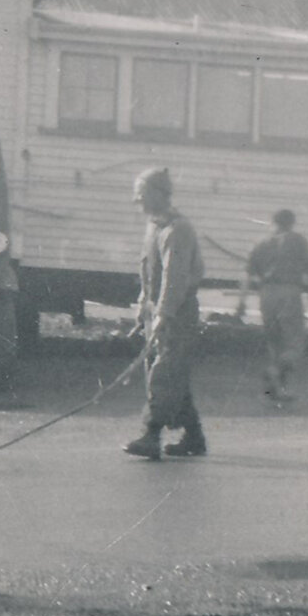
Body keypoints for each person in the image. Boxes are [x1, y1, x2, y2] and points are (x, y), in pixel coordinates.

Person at [122, 168, 208, 459]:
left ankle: (151, 435)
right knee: (171, 374)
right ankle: (194, 437)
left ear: (160, 194)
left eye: (142, 194)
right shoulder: (155, 227)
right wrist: (142, 309)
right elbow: (148, 272)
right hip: (157, 309)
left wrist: (164, 314)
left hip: (176, 312)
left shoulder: (177, 230)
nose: (138, 201)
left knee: (164, 373)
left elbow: (175, 278)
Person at [246, 208, 308, 401]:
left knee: (274, 342)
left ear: (273, 222)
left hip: (266, 293)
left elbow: (248, 273)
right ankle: (274, 371)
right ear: (292, 223)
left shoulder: (260, 243)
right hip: (289, 292)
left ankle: (276, 390)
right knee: (294, 342)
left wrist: (241, 302)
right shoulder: (298, 241)